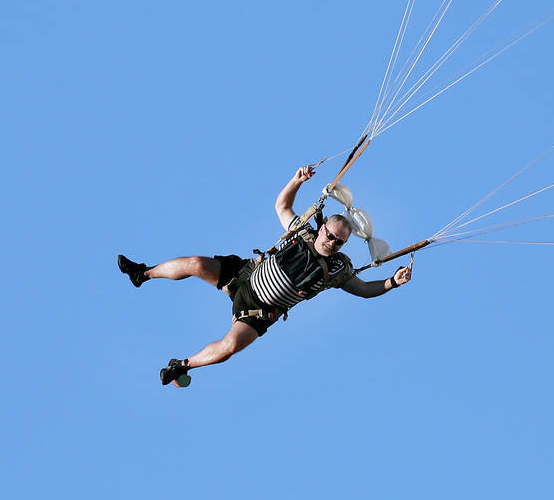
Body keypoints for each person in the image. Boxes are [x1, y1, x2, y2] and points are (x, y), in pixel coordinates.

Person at [117, 165, 411, 386]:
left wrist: (392, 283)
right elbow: (281, 206)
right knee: (195, 263)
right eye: (332, 236)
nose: (333, 243)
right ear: (323, 228)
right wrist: (297, 180)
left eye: (339, 242)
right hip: (245, 276)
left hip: (258, 311)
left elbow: (362, 288)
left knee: (229, 347)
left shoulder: (338, 268)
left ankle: (181, 365)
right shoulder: (303, 231)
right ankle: (143, 273)